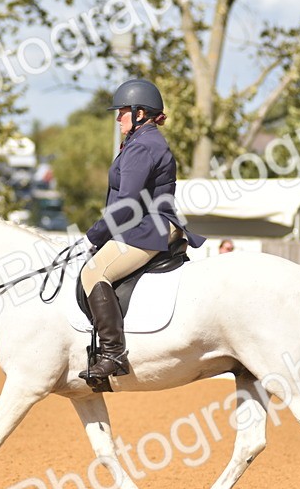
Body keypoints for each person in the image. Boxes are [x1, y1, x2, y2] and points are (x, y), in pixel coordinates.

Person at [79, 77, 205, 380]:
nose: (118, 118)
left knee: (93, 272)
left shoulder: (143, 146)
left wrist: (93, 235)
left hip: (147, 228)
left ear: (140, 113)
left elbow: (126, 205)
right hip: (147, 225)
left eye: (122, 112)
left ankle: (113, 354)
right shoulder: (142, 141)